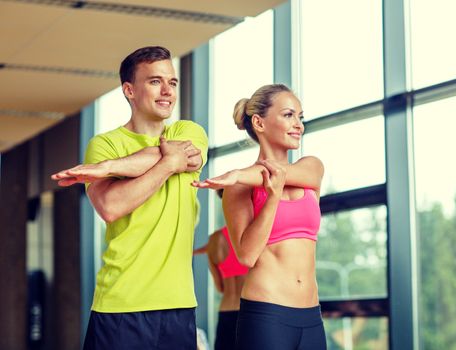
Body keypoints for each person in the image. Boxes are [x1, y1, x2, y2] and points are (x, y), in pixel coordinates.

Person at [51, 46, 208, 349]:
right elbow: (111, 206)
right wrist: (167, 163)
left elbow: (185, 156)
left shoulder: (189, 130)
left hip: (179, 303)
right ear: (129, 90)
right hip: (121, 304)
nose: (167, 91)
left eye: (172, 82)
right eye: (154, 82)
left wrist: (109, 169)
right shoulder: (105, 144)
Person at [192, 84, 327, 350]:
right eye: (289, 115)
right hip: (267, 315)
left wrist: (241, 174)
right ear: (259, 122)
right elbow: (246, 255)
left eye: (300, 117)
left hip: (312, 315)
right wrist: (271, 198)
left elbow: (282, 174)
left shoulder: (311, 167)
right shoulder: (239, 189)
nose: (298, 124)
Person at [193, 189, 248, 350]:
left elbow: (220, 286)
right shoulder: (251, 236)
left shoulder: (214, 240)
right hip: (249, 311)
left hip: (226, 311)